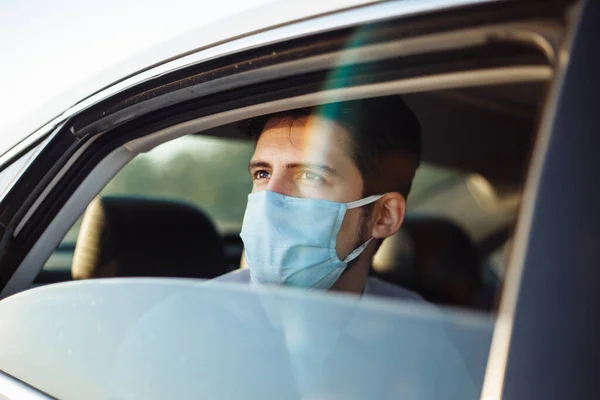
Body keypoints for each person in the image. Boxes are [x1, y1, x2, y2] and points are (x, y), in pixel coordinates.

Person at [215, 95, 423, 301]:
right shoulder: (194, 318)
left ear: (384, 216)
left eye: (310, 176)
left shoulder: (422, 328)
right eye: (263, 173)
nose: (270, 197)